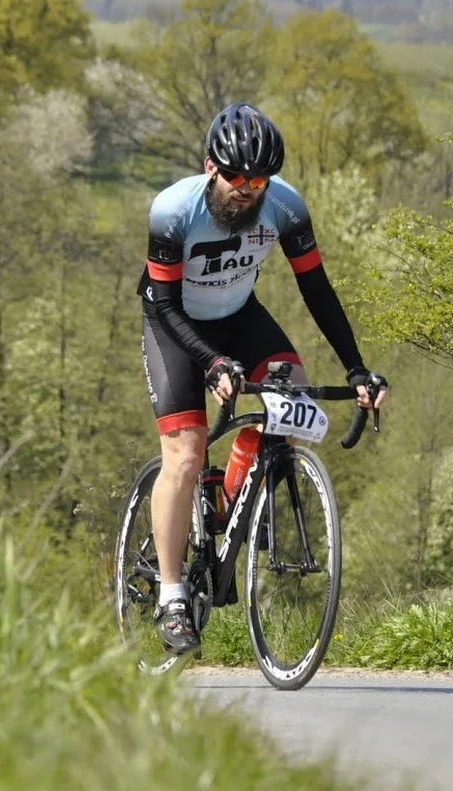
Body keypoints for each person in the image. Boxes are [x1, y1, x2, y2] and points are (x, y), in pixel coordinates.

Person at [138, 101, 389, 654]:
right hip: (174, 324)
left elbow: (317, 291)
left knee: (292, 392)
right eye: (236, 177)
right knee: (185, 452)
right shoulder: (172, 212)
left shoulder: (285, 207)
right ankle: (173, 595)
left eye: (259, 178)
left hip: (238, 317)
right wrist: (211, 363)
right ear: (211, 167)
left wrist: (356, 367)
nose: (247, 189)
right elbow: (164, 302)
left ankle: (226, 501)